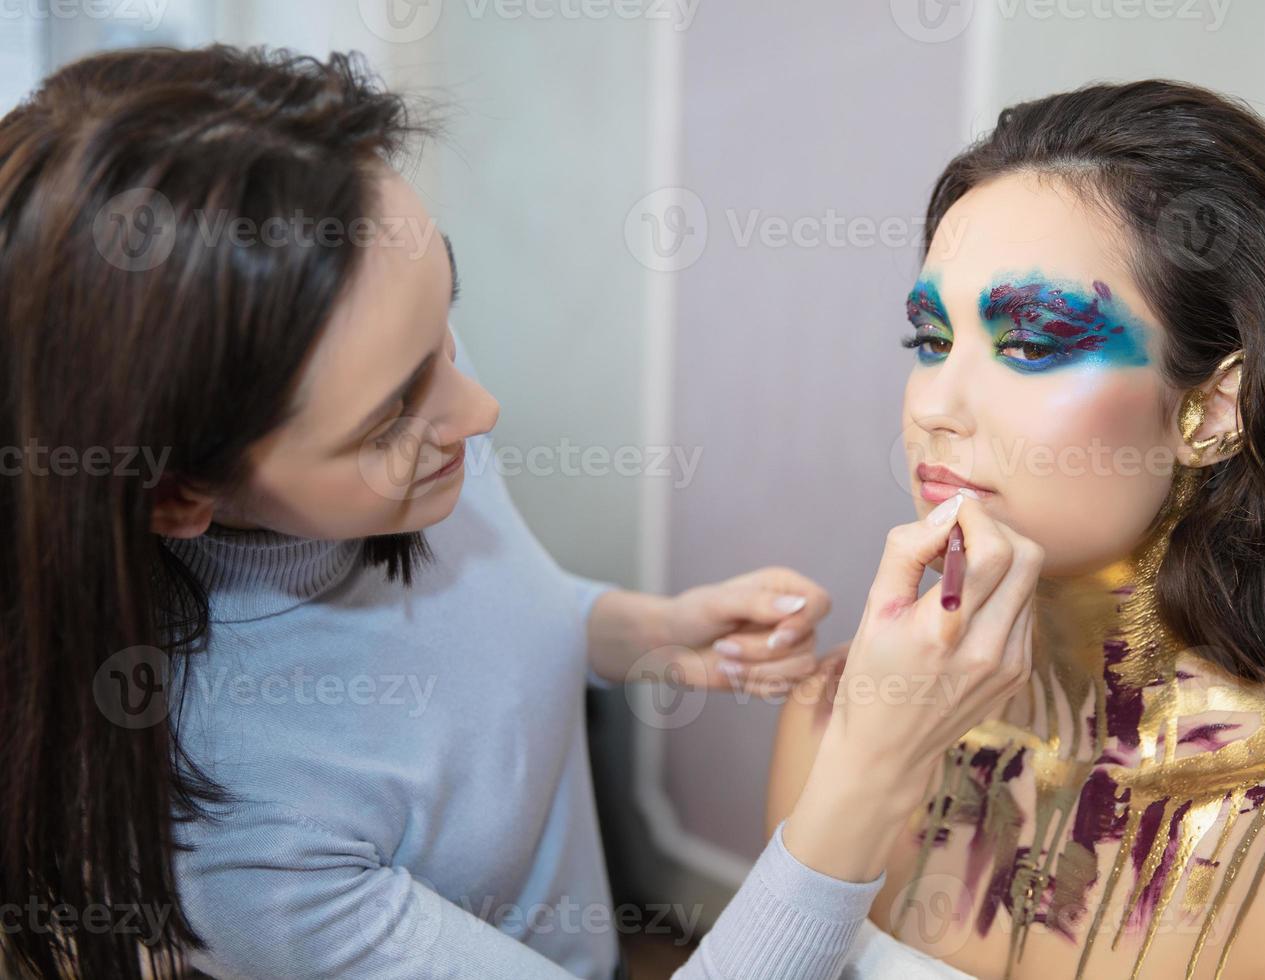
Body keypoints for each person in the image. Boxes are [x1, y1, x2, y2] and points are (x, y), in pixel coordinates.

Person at [0, 45, 1041, 980]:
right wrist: (872, 771)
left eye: (447, 321)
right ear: (179, 493)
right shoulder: (241, 851)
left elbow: (472, 615)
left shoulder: (402, 404)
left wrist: (636, 633)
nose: (478, 409)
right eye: (392, 414)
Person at [768, 79, 1265, 980]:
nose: (934, 406)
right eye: (931, 338)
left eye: (1030, 345)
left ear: (1214, 409)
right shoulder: (836, 719)